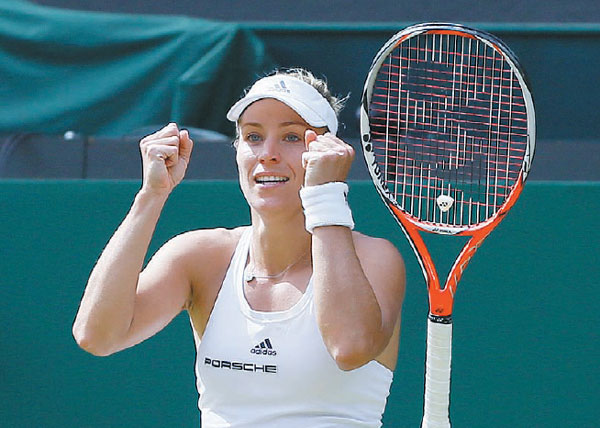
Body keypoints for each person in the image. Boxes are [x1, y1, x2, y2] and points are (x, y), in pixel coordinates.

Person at [73, 68, 406, 427]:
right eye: (253, 136)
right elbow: (97, 335)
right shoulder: (199, 256)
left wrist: (325, 196)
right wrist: (152, 195)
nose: (268, 153)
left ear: (330, 151)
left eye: (292, 137)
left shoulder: (375, 258)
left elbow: (349, 346)